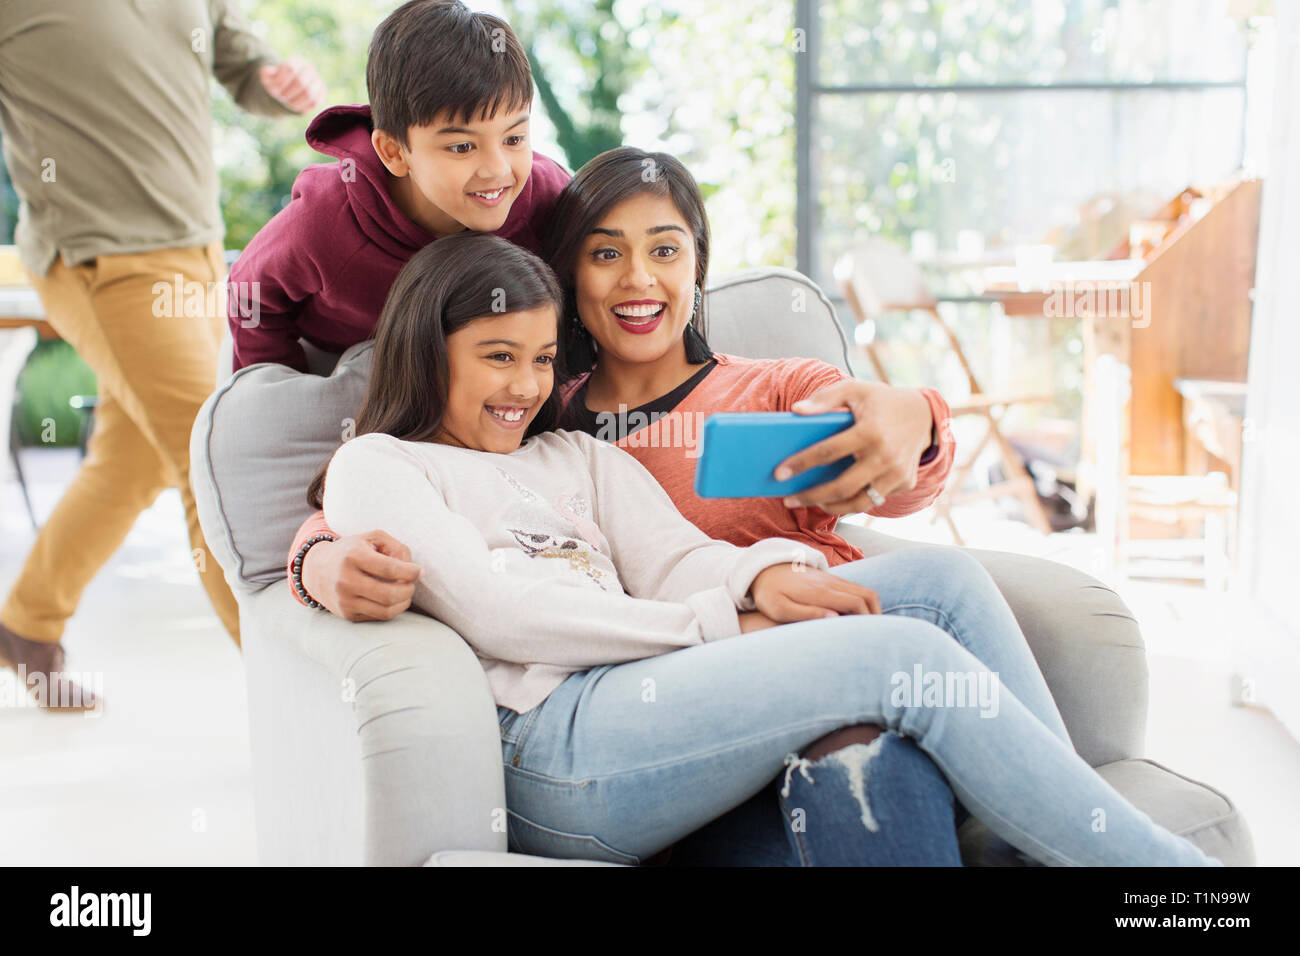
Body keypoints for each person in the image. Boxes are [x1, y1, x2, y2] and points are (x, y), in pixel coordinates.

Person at [313, 231, 1221, 867]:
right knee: (900, 658)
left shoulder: (578, 455)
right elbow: (504, 614)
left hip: (653, 691)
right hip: (557, 747)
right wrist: (726, 624)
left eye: (544, 359)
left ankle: (1037, 837)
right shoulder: (378, 465)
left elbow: (677, 561)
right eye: (497, 356)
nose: (526, 385)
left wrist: (764, 575)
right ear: (429, 351)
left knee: (938, 584)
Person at [0, 0, 325, 708]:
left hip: (199, 250)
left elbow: (244, 65)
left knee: (131, 462)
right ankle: (302, 703)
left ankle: (26, 621)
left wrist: (280, 81)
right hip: (101, 257)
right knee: (211, 459)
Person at [227, 0, 570, 373]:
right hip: (330, 362)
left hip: (457, 368)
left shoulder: (548, 198)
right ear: (394, 152)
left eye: (514, 139)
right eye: (461, 146)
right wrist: (281, 388)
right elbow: (248, 293)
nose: (497, 169)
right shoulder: (326, 220)